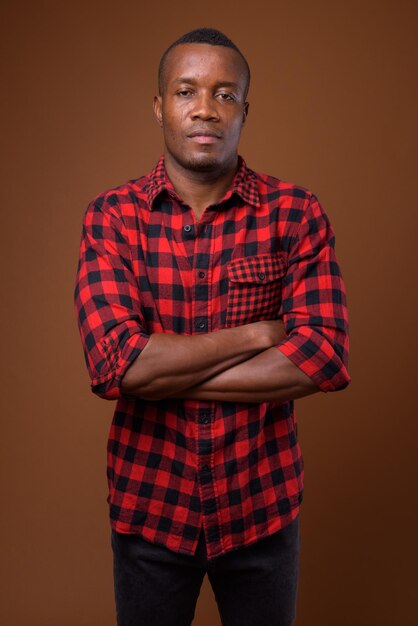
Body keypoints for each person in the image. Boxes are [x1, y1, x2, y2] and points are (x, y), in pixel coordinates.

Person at [74, 27, 350, 626]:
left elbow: (324, 357)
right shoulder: (112, 217)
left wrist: (159, 374)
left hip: (262, 512)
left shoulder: (296, 213)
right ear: (159, 106)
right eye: (186, 91)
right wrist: (258, 334)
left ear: (244, 110)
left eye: (225, 94)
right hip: (150, 511)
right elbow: (114, 366)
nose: (205, 108)